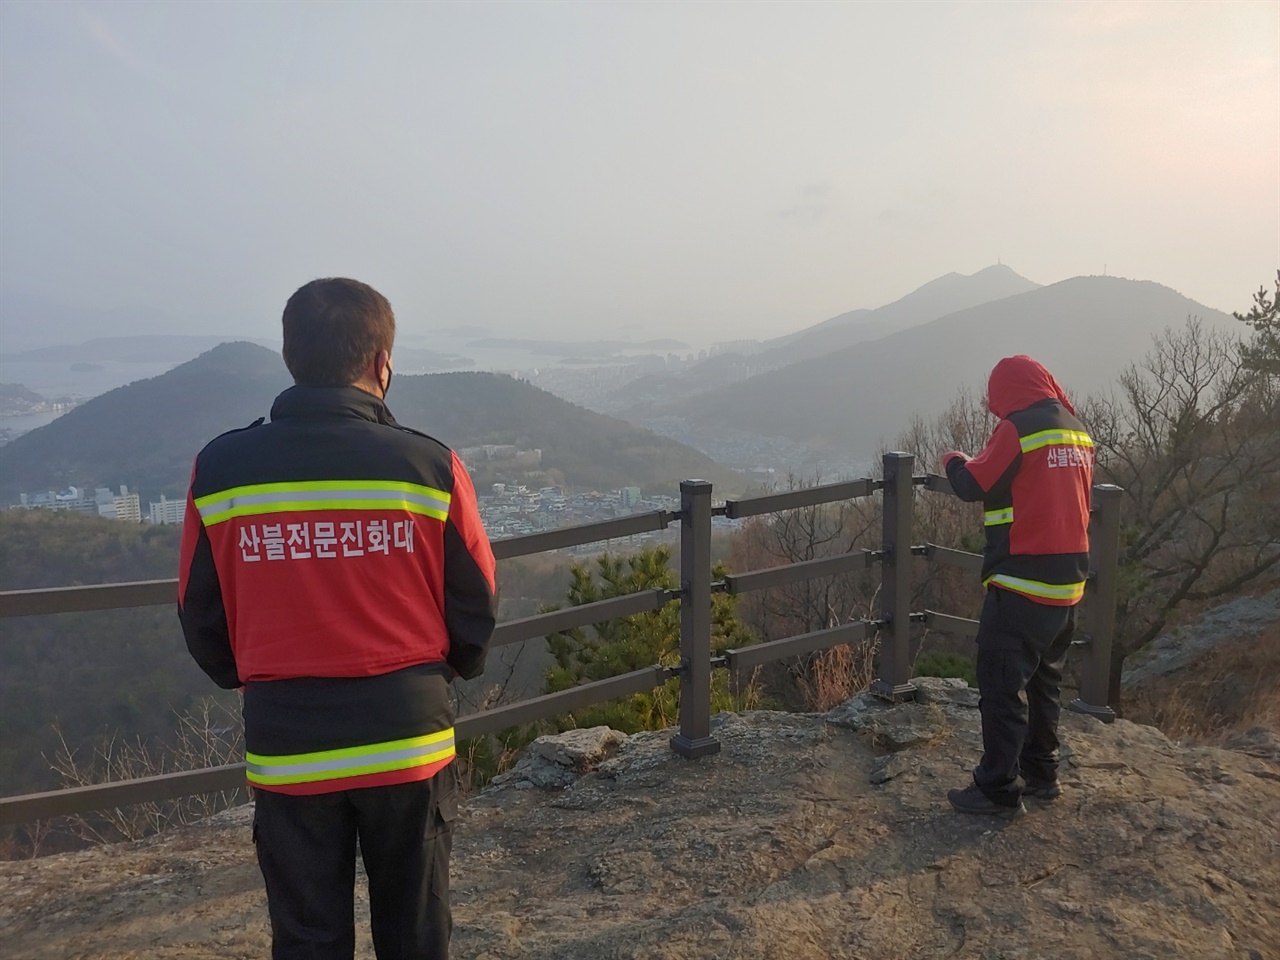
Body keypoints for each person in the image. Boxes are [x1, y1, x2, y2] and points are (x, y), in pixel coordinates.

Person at [178, 277, 497, 958]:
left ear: (292, 356)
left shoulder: (221, 470)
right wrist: (441, 672)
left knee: (307, 937)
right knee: (414, 930)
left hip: (289, 740)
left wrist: (260, 676)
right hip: (406, 739)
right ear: (382, 363)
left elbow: (200, 613)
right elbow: (476, 603)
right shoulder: (430, 465)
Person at [941, 354, 1094, 819]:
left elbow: (973, 483)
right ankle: (1042, 774)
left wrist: (951, 460)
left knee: (1001, 686)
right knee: (1046, 681)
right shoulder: (1076, 429)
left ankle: (997, 788)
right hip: (1068, 584)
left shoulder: (1018, 428)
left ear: (1007, 390)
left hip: (1022, 580)